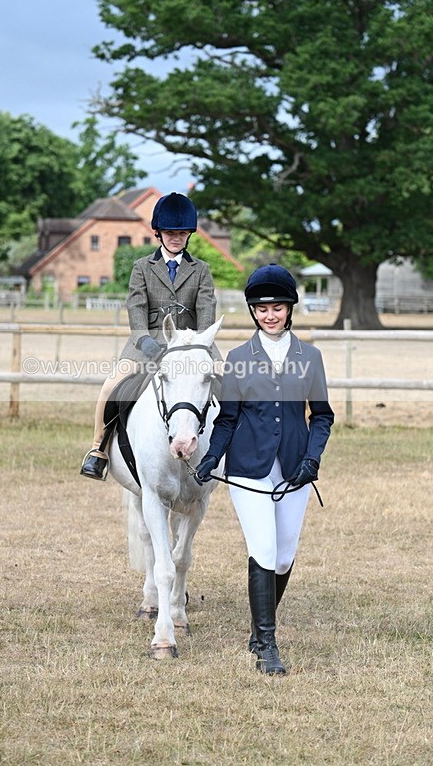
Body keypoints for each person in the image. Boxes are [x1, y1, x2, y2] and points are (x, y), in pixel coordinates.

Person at [195, 264, 334, 675]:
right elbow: (227, 420)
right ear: (253, 311)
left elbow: (322, 416)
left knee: (285, 557)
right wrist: (210, 458)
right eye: (261, 308)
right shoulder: (238, 359)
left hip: (295, 468)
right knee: (264, 550)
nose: (269, 315)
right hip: (247, 469)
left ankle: (258, 631)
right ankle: (267, 645)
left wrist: (313, 457)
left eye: (277, 307)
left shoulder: (310, 357)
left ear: (290, 309)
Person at [80, 192, 217, 480]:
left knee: (231, 385)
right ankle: (98, 450)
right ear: (158, 232)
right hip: (146, 344)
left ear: (189, 234)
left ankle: (233, 451)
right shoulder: (142, 267)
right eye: (170, 232)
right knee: (110, 386)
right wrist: (146, 341)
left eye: (181, 233)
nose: (176, 238)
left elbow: (206, 311)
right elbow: (136, 308)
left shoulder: (201, 270)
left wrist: (200, 343)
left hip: (190, 345)